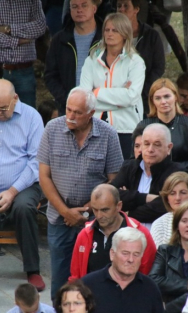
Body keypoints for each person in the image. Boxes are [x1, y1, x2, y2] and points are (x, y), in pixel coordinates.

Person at [37, 87, 123, 299]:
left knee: (94, 276)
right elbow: (44, 176)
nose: (71, 116)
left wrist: (85, 211)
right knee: (59, 279)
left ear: (91, 114)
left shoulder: (108, 135)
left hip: (96, 219)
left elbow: (115, 181)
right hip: (59, 218)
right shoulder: (52, 129)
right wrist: (66, 212)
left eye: (77, 112)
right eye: (68, 110)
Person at [0, 79, 45, 289]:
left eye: (3, 108)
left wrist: (13, 191)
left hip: (23, 183)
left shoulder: (31, 117)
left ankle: (32, 270)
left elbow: (36, 161)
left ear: (16, 99)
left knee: (24, 207)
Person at [79, 12, 146, 158]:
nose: (109, 34)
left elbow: (131, 97)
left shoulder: (136, 62)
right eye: (107, 30)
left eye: (115, 30)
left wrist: (96, 93)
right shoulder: (92, 59)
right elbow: (84, 97)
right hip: (95, 126)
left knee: (123, 174)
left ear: (124, 33)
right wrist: (119, 98)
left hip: (126, 128)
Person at [69, 184, 157, 280]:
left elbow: (148, 277)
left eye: (104, 210)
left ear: (119, 206)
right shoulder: (85, 234)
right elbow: (75, 277)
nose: (99, 216)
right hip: (91, 294)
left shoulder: (140, 234)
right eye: (95, 210)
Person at [110, 123, 184, 229]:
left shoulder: (178, 173)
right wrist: (145, 198)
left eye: (157, 144)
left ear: (169, 148)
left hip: (161, 236)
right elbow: (112, 195)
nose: (150, 149)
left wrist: (128, 212)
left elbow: (165, 207)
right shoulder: (129, 167)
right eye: (146, 144)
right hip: (126, 235)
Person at [0, 0, 46, 108]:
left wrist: (8, 29)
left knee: (26, 115)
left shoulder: (33, 1)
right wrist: (18, 41)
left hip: (24, 70)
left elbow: (40, 27)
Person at [136, 78, 188, 178]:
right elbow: (135, 159)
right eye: (158, 98)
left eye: (167, 96)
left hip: (183, 180)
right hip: (152, 180)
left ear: (176, 97)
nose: (163, 101)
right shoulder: (143, 126)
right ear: (152, 101)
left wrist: (171, 169)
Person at [45, 0, 102, 114]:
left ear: (94, 8)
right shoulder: (59, 40)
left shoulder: (106, 38)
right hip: (68, 109)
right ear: (70, 10)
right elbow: (50, 75)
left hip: (101, 108)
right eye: (74, 6)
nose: (79, 10)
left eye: (84, 5)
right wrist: (67, 99)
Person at [116, 0, 165, 113]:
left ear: (136, 9)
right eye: (119, 6)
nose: (122, 9)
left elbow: (158, 68)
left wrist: (142, 91)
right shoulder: (111, 34)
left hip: (144, 99)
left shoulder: (151, 35)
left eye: (126, 6)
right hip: (118, 98)